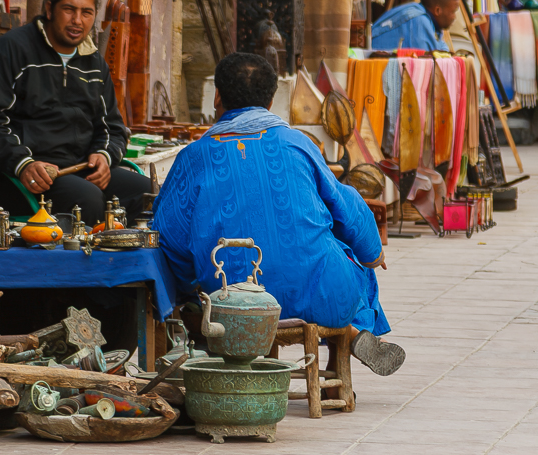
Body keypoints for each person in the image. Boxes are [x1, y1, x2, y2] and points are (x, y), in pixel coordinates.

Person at [153, 52, 405, 376]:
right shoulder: (296, 143)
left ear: (217, 96)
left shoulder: (193, 156)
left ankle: (340, 340)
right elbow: (345, 204)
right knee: (353, 261)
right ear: (271, 100)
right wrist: (372, 251)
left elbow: (168, 235)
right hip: (322, 294)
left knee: (199, 281)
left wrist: (191, 284)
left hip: (233, 302)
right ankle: (343, 345)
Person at [0, 0, 151, 225]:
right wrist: (23, 163)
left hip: (79, 169)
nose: (77, 21)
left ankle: (133, 264)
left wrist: (104, 156)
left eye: (86, 12)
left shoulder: (94, 63)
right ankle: (92, 264)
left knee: (150, 194)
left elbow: (113, 128)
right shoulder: (13, 50)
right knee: (87, 201)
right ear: (49, 9)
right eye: (69, 10)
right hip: (20, 174)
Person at [371, 0, 461, 52]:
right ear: (437, 11)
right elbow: (428, 61)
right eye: (452, 12)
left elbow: (441, 49)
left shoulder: (422, 15)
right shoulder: (419, 20)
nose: (454, 17)